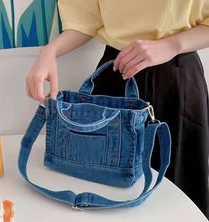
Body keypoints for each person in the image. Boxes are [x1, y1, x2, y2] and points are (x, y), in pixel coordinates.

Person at [26, 0, 209, 218]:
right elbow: (84, 21)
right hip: (115, 75)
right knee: (104, 187)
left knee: (177, 192)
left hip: (176, 82)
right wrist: (49, 51)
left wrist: (171, 45)